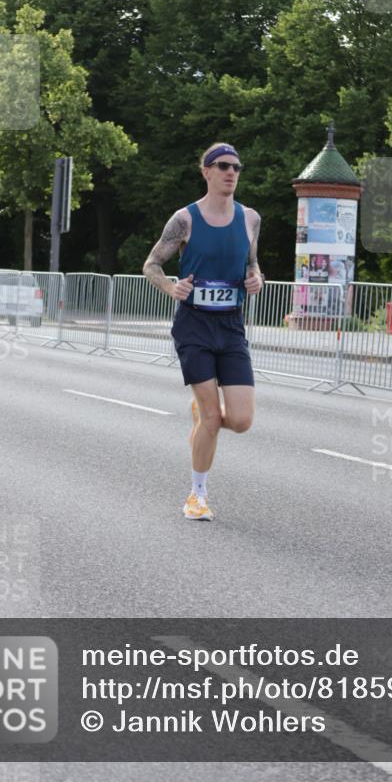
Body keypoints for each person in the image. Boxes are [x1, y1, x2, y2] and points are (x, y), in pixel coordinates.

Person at [143, 142, 263, 521]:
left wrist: (257, 278)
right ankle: (197, 496)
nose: (231, 173)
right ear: (206, 171)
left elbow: (252, 264)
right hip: (193, 325)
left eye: (237, 167)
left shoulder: (250, 219)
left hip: (231, 326)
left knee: (240, 421)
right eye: (223, 166)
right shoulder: (185, 219)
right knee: (213, 418)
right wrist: (171, 287)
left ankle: (202, 411)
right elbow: (151, 265)